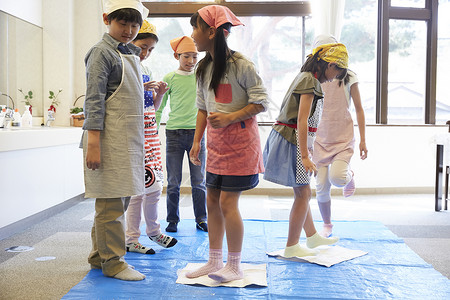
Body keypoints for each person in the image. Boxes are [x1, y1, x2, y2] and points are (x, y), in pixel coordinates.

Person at [186, 5, 269, 283]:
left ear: (211, 31)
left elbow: (261, 102)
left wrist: (231, 117)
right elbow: (202, 108)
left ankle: (235, 265)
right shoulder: (204, 67)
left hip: (241, 145)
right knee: (211, 200)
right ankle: (214, 260)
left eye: (195, 28)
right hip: (217, 145)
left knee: (227, 202)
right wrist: (196, 141)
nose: (193, 35)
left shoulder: (242, 65)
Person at [263, 42, 349, 258]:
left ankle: (311, 236)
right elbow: (301, 119)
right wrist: (304, 156)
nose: (332, 78)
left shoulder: (305, 77)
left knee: (302, 190)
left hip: (292, 139)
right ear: (328, 65)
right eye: (335, 73)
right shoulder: (310, 80)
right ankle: (292, 246)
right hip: (291, 140)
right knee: (304, 192)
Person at [82, 0, 148, 281]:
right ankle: (114, 262)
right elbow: (94, 100)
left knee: (117, 201)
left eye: (134, 25)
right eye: (123, 23)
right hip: (107, 140)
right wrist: (94, 143)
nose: (129, 30)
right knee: (110, 203)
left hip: (125, 139)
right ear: (107, 19)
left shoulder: (128, 53)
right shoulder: (101, 53)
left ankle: (99, 256)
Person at [125, 21, 177, 255]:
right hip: (134, 138)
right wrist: (141, 87)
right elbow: (122, 103)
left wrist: (159, 94)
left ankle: (154, 231)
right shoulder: (125, 67)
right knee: (138, 191)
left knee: (155, 187)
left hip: (151, 136)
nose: (145, 53)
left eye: (150, 49)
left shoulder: (145, 70)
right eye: (142, 46)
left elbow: (151, 109)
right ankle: (131, 238)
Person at [311, 35, 368, 238]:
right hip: (320, 138)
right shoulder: (313, 77)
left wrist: (362, 140)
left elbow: (359, 109)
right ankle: (327, 224)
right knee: (321, 185)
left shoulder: (348, 76)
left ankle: (350, 176)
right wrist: (308, 145)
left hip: (342, 138)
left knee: (338, 178)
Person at [155, 36, 208, 233]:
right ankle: (172, 220)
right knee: (173, 181)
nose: (191, 61)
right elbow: (159, 106)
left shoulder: (201, 77)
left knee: (198, 181)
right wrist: (154, 125)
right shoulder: (169, 78)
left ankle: (201, 219)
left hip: (198, 134)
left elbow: (208, 105)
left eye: (195, 56)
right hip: (174, 134)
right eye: (187, 56)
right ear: (176, 56)